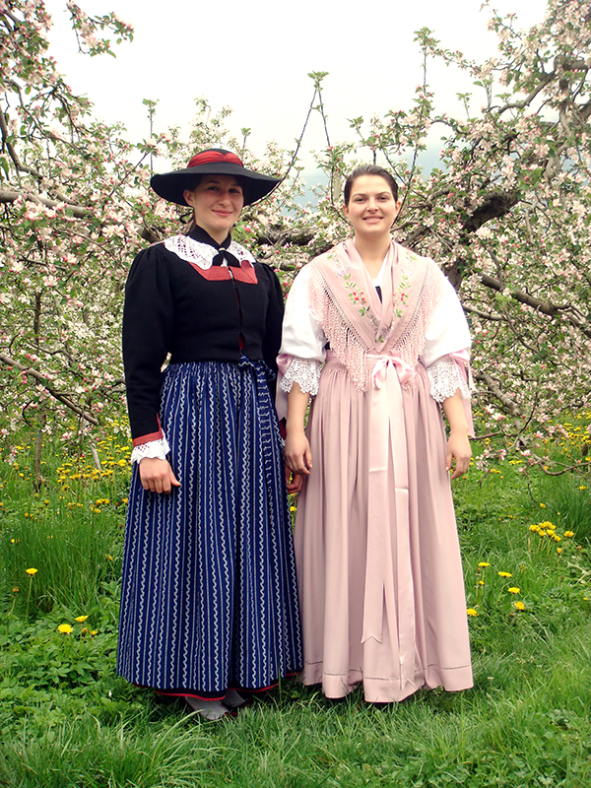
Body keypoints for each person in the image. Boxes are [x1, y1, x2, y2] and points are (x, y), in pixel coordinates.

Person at [118, 149, 302, 720]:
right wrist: (149, 445)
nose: (225, 199)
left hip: (250, 416)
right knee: (195, 538)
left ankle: (245, 667)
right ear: (189, 198)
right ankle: (191, 676)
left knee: (248, 535)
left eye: (235, 192)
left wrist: (284, 435)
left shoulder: (262, 271)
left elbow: (276, 361)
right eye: (213, 189)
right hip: (191, 412)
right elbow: (141, 360)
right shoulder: (160, 263)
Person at [279, 164, 473, 704]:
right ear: (344, 208)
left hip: (409, 411)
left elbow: (443, 358)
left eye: (382, 197)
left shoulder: (426, 274)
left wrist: (458, 430)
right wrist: (295, 430)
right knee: (346, 521)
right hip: (343, 408)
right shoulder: (318, 274)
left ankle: (414, 659)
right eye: (361, 198)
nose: (372, 206)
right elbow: (301, 358)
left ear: (397, 206)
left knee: (414, 525)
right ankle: (339, 662)